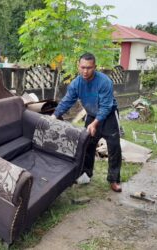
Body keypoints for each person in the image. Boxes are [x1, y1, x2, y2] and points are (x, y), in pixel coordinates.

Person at [52, 53, 122, 192]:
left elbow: (106, 106)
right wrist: (54, 116)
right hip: (91, 115)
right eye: (83, 67)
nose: (85, 71)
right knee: (88, 145)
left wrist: (95, 123)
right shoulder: (76, 83)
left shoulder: (104, 81)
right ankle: (86, 174)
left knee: (114, 147)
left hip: (109, 116)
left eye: (89, 68)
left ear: (94, 67)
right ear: (78, 66)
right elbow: (67, 101)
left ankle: (113, 179)